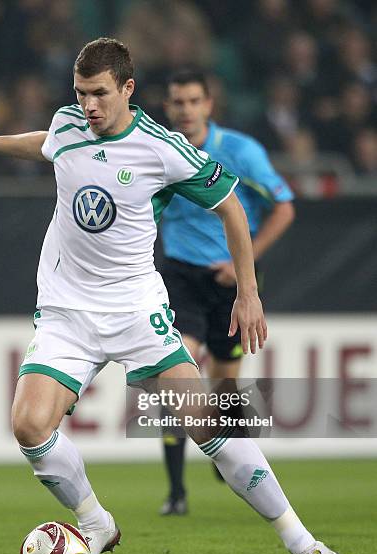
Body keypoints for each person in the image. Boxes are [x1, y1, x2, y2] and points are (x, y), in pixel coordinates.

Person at [0, 37, 349, 554]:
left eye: (101, 94)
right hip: (67, 308)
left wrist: (248, 293)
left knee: (209, 421)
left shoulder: (163, 148)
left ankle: (304, 544)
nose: (89, 106)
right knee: (29, 424)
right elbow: (46, 143)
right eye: (81, 93)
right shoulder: (68, 125)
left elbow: (230, 204)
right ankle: (95, 521)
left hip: (136, 309)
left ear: (128, 89)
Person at [159, 69, 295, 516]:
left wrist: (244, 261)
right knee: (176, 375)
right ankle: (177, 492)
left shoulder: (240, 151)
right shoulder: (158, 149)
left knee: (222, 383)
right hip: (179, 274)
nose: (185, 111)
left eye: (193, 101)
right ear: (168, 106)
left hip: (229, 283)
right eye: (178, 102)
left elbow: (284, 207)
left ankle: (231, 452)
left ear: (208, 105)